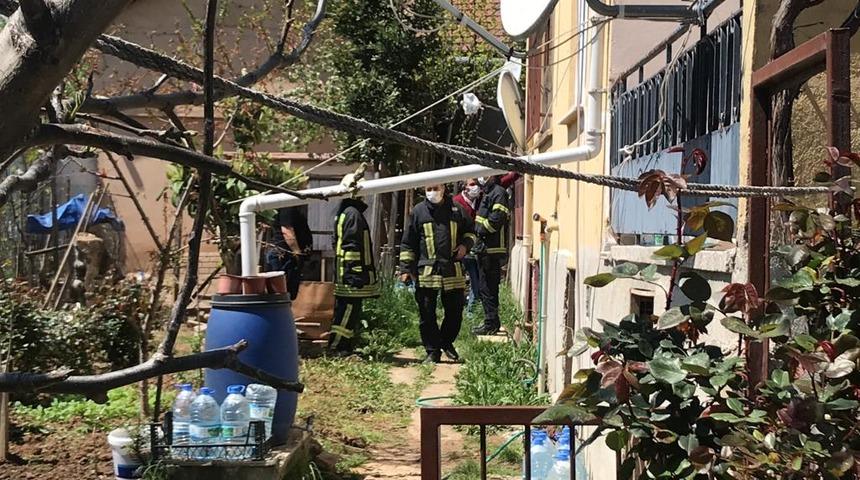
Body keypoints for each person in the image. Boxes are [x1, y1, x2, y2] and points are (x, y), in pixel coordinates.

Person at [400, 184, 476, 363]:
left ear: (443, 189)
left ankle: (446, 342)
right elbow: (408, 243)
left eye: (436, 187)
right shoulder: (418, 212)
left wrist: (465, 246)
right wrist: (405, 268)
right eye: (429, 188)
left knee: (455, 312)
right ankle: (432, 351)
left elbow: (471, 233)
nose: (432, 192)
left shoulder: (457, 210)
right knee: (427, 313)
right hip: (427, 271)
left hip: (452, 269)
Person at [329, 197, 380, 353]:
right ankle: (337, 346)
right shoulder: (353, 214)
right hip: (351, 276)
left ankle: (345, 346)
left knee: (347, 311)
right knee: (347, 312)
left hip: (345, 273)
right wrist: (356, 273)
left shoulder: (345, 213)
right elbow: (352, 246)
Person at [471, 175, 512, 336]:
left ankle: (491, 323)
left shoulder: (498, 192)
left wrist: (480, 230)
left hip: (492, 249)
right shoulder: (489, 192)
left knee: (488, 287)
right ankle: (491, 321)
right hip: (485, 248)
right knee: (485, 287)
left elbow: (497, 218)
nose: (481, 179)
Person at [266, 206, 313, 300]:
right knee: (281, 294)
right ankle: (280, 314)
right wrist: (297, 253)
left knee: (286, 293)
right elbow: (287, 231)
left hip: (287, 255)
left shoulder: (291, 208)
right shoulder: (287, 208)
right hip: (284, 255)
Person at [452, 178, 482, 310]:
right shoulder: (457, 202)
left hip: (476, 245)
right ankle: (469, 309)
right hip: (461, 248)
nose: (475, 187)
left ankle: (472, 309)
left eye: (477, 184)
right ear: (465, 187)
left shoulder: (480, 199)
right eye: (472, 184)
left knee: (477, 280)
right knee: (466, 279)